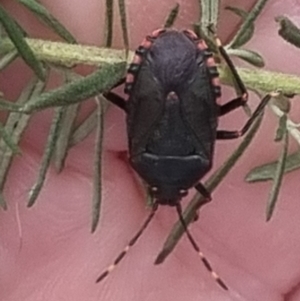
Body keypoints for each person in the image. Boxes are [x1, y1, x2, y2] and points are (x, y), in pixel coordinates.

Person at [0, 0, 299, 300]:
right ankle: (198, 53)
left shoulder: (200, 165)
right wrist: (135, 70)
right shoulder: (141, 161)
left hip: (185, 67)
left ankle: (218, 49)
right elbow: (129, 109)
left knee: (242, 106)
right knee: (106, 89)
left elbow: (214, 164)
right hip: (152, 71)